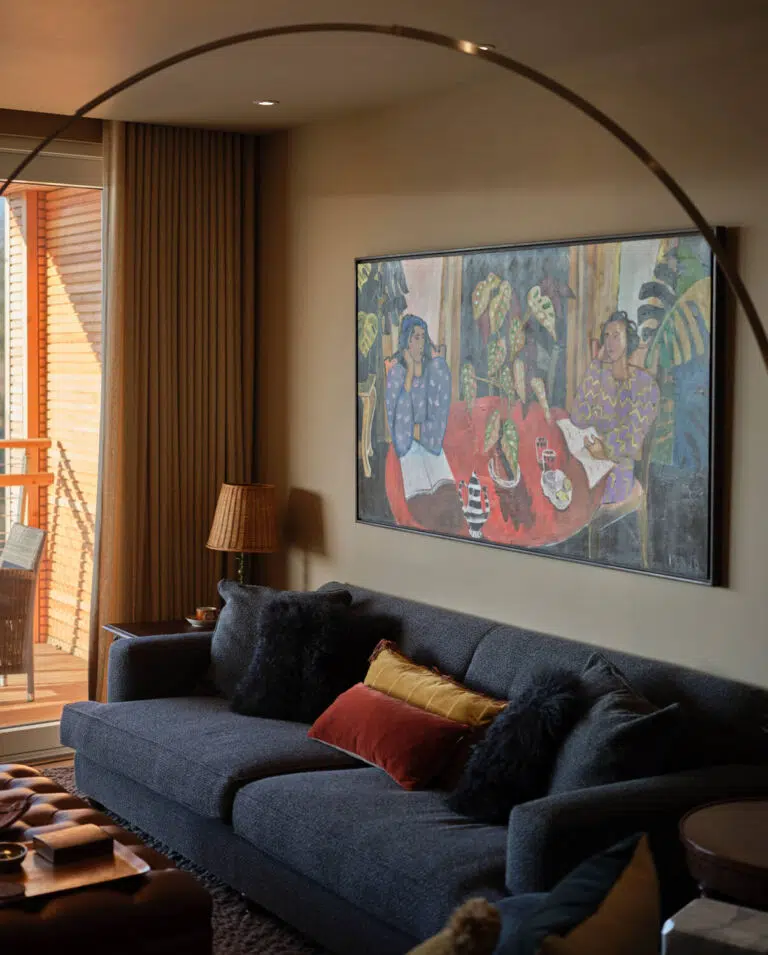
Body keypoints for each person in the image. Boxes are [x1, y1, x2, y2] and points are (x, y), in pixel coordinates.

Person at [571, 310, 660, 505]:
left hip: (618, 469)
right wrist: (596, 365)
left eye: (616, 336)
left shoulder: (645, 384)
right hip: (589, 456)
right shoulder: (600, 376)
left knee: (574, 493)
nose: (610, 343)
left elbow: (633, 439)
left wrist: (603, 449)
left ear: (629, 341)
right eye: (606, 336)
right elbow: (577, 417)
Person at [385, 315, 463, 532]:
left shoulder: (434, 370)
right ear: (406, 341)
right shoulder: (397, 374)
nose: (420, 343)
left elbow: (437, 420)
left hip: (430, 445)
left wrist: (416, 430)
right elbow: (399, 429)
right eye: (415, 337)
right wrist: (409, 374)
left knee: (451, 506)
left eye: (423, 337)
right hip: (410, 448)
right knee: (424, 509)